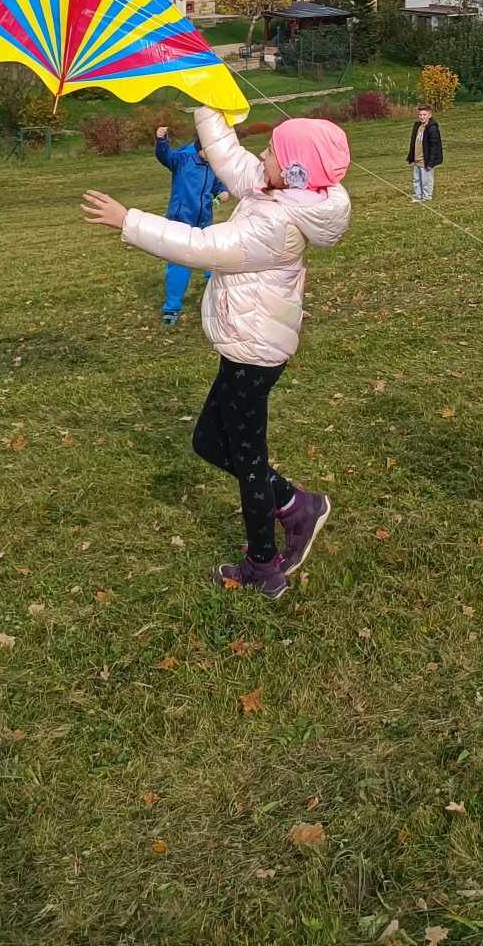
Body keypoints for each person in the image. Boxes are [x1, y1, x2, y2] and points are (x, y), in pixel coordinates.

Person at [82, 109, 352, 599]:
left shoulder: (274, 223)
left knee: (248, 460)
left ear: (292, 172)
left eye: (273, 151)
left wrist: (129, 221)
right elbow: (230, 158)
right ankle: (295, 505)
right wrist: (205, 100)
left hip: (255, 352)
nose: (263, 154)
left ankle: (263, 567)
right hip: (248, 340)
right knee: (209, 441)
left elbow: (202, 245)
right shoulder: (280, 191)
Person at [154, 121, 227, 325]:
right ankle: (172, 308)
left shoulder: (212, 162)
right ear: (199, 144)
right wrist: (161, 140)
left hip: (205, 220)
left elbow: (216, 184)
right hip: (181, 221)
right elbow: (164, 156)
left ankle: (218, 298)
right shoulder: (183, 157)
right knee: (180, 264)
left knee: (213, 260)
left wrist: (221, 192)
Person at [408, 105, 443, 202]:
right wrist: (411, 157)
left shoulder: (432, 128)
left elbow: (434, 146)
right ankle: (418, 195)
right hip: (417, 158)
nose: (422, 117)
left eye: (424, 114)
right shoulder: (418, 126)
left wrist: (431, 162)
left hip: (426, 160)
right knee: (416, 179)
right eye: (420, 115)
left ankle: (427, 197)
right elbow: (414, 142)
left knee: (426, 180)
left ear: (430, 115)